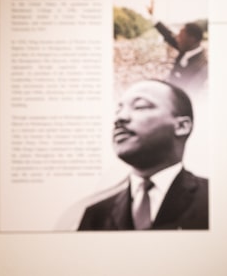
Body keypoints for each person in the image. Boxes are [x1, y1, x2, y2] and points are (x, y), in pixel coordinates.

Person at [78, 79, 209, 230]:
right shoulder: (96, 215)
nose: (120, 118)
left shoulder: (215, 199)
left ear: (181, 126)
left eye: (140, 106)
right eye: (118, 110)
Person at [147, 0, 208, 92]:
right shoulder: (187, 47)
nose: (176, 39)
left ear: (191, 40)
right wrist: (152, 16)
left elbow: (190, 94)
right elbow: (167, 35)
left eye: (180, 36)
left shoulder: (201, 67)